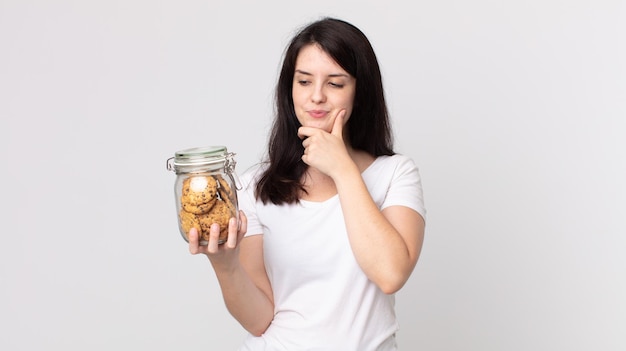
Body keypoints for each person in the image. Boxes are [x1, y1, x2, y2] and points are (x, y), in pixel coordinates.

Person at [188, 17, 426, 351]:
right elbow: (260, 321)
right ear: (290, 89)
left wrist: (343, 169)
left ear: (361, 91)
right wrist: (224, 266)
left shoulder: (395, 174)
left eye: (335, 83)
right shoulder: (255, 186)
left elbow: (390, 274)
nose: (316, 96)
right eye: (304, 81)